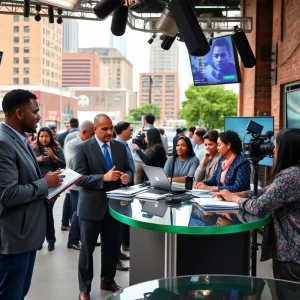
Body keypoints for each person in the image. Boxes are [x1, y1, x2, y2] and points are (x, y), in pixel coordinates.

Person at [214, 129, 300, 282]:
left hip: (292, 255)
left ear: (286, 150)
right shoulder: (295, 172)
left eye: (275, 146)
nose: (272, 151)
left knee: (287, 293)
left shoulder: (290, 176)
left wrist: (234, 198)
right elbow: (266, 191)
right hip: (294, 253)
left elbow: (259, 206)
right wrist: (243, 194)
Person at [0, 89, 63, 299]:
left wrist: (50, 188)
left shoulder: (20, 139)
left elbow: (26, 182)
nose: (38, 116)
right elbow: (7, 194)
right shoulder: (3, 143)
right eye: (35, 111)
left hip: (27, 236)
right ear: (19, 113)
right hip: (14, 239)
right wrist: (45, 184)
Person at [73, 114, 132, 299]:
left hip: (114, 207)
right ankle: (84, 288)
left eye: (110, 128)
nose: (109, 132)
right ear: (95, 129)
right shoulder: (82, 148)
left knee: (111, 247)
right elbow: (79, 178)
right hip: (91, 208)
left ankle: (107, 280)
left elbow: (129, 168)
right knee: (87, 250)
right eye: (104, 129)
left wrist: (127, 177)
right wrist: (103, 178)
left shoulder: (120, 147)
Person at [33, 127, 66, 251]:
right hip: (38, 186)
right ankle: (39, 241)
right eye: (41, 136)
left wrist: (53, 157)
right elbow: (28, 164)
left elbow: (63, 165)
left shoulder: (57, 149)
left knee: (47, 213)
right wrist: (38, 160)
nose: (43, 139)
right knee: (39, 214)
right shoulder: (34, 149)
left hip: (52, 188)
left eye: (46, 136)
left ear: (50, 137)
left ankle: (51, 240)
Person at [64, 121, 95, 251]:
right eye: (92, 134)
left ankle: (84, 239)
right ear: (84, 132)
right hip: (76, 185)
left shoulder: (91, 144)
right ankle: (72, 241)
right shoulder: (72, 144)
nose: (94, 137)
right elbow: (71, 164)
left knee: (85, 213)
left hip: (87, 183)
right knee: (78, 213)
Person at [131, 113, 155, 184]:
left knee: (137, 182)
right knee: (151, 182)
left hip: (138, 160)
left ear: (145, 121)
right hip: (152, 162)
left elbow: (133, 144)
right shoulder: (158, 132)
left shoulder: (138, 131)